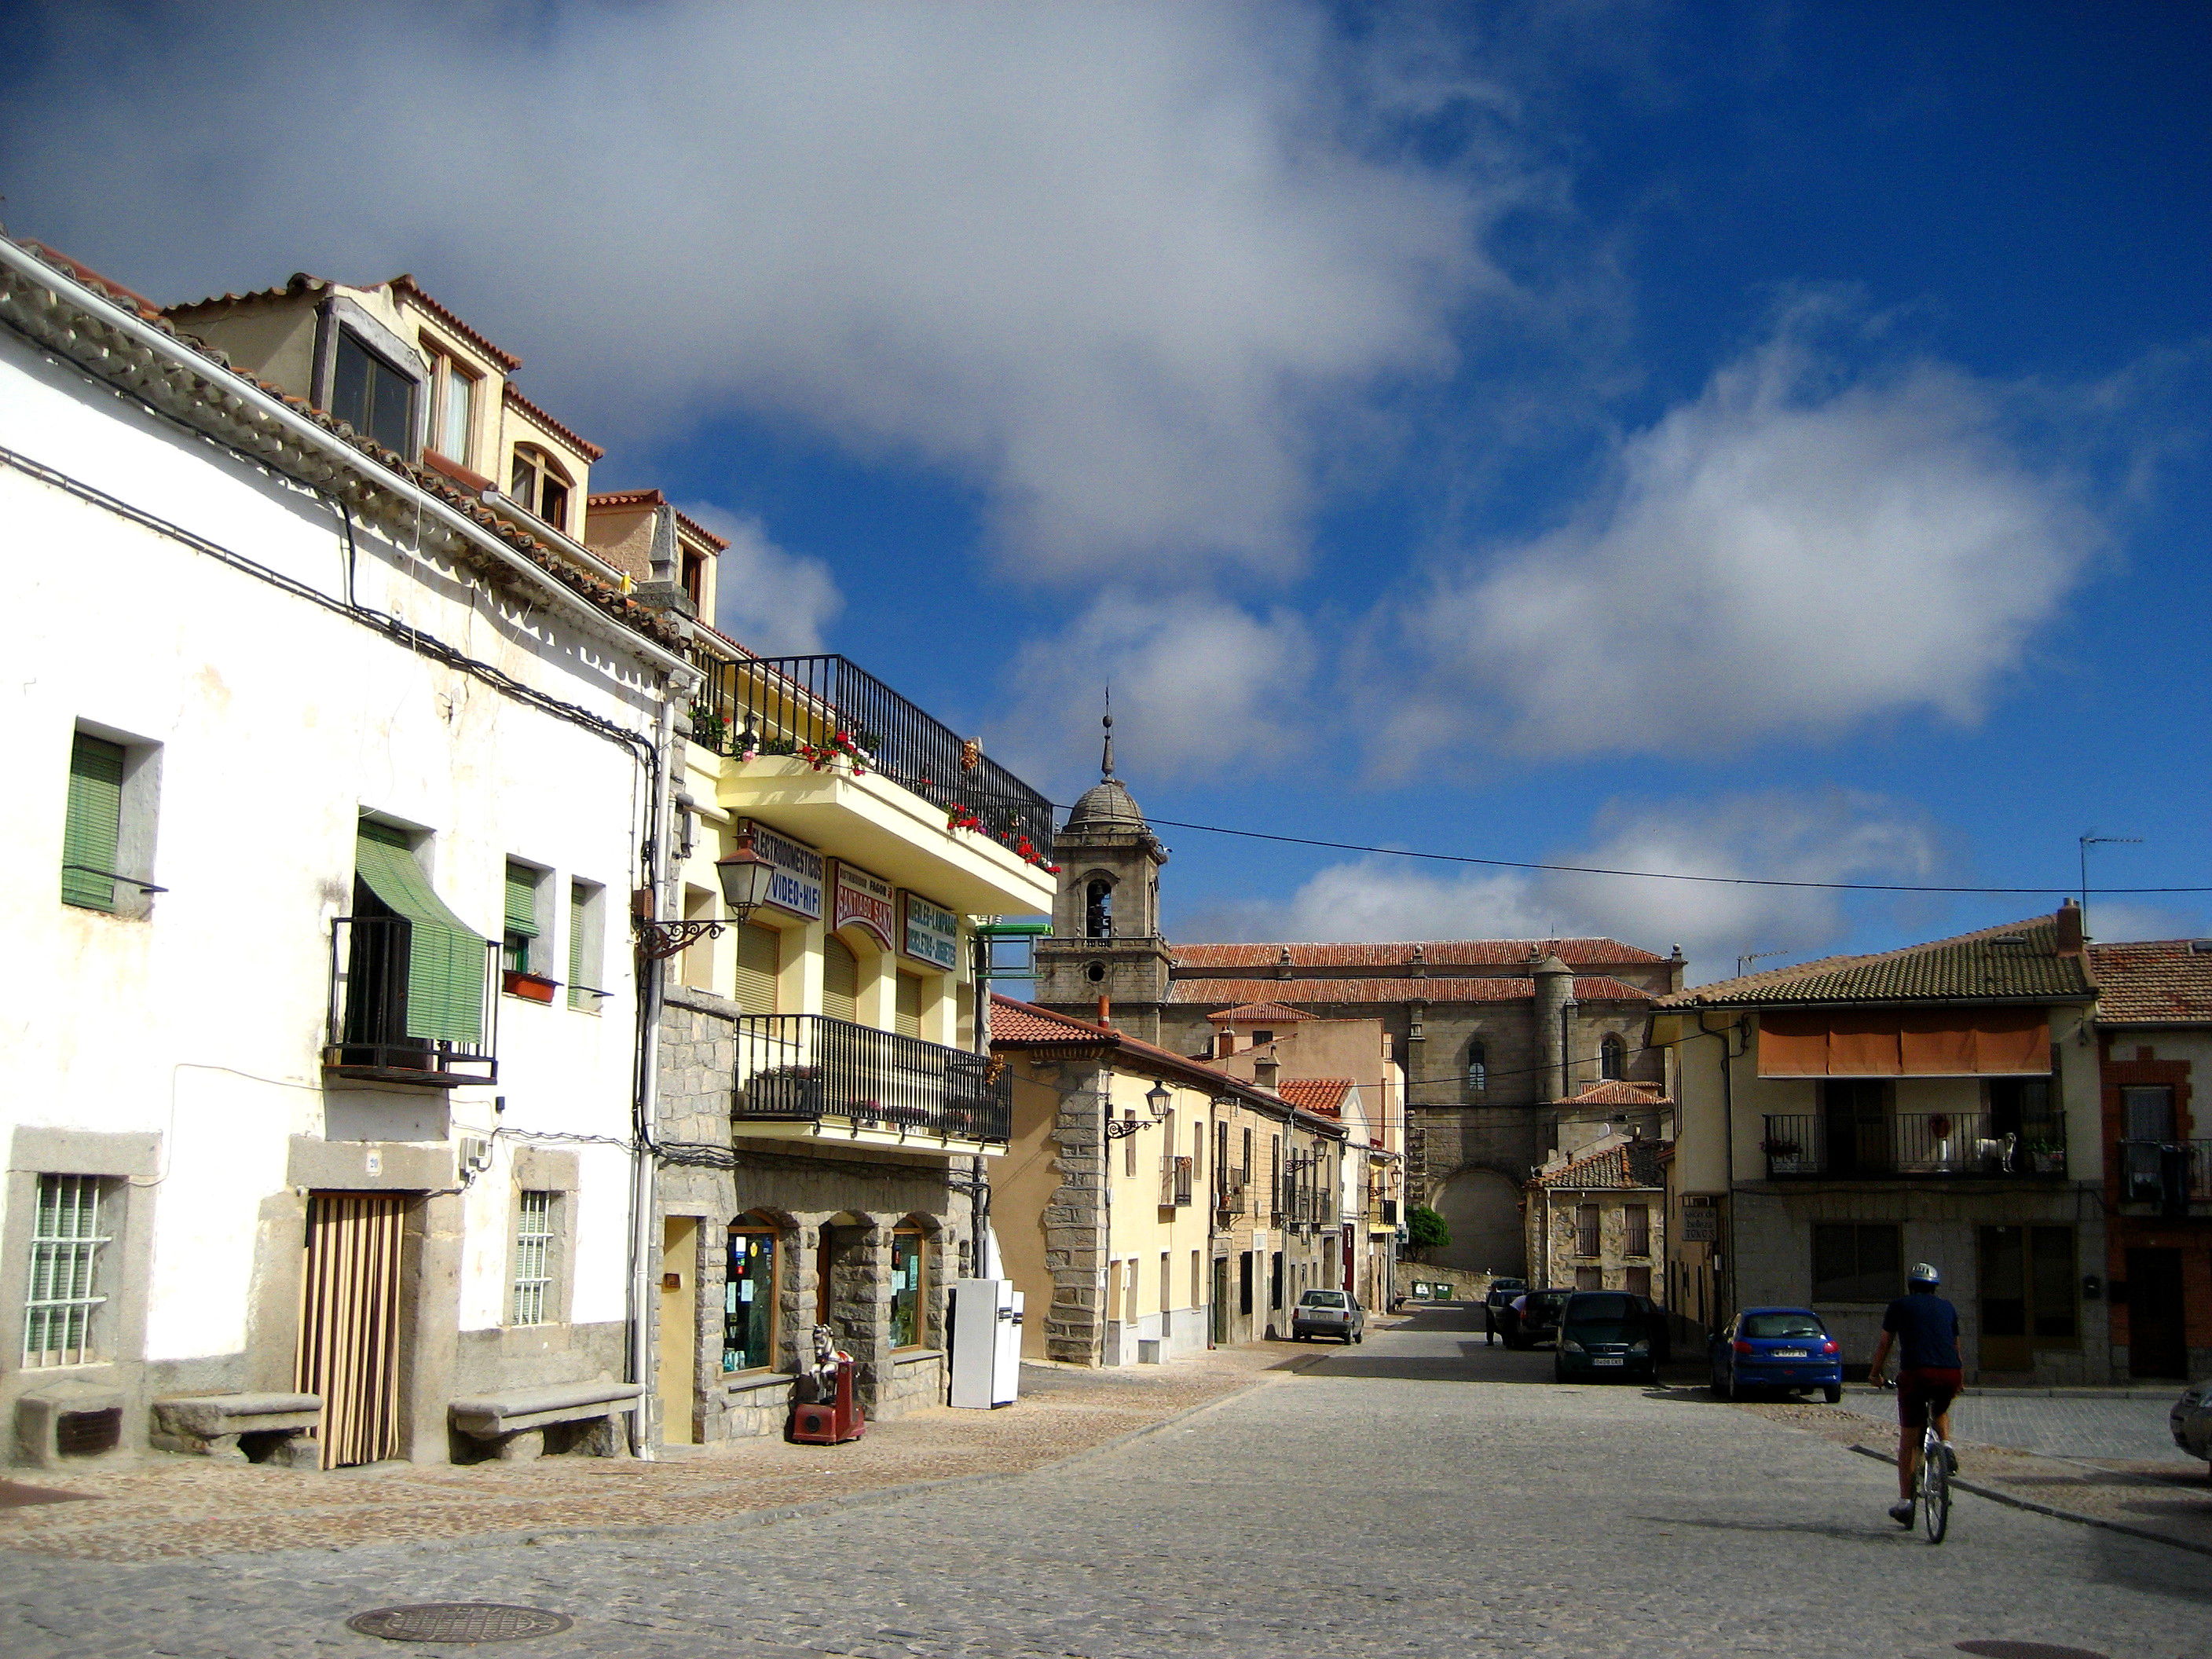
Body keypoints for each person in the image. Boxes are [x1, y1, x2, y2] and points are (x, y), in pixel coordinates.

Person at [1867, 1262, 1962, 1526]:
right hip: (1949, 1373)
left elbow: (1886, 1342)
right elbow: (1955, 1346)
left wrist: (1875, 1374)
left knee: (1909, 1439)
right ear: (1935, 1287)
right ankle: (1947, 1446)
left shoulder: (1900, 1306)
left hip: (1916, 1374)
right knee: (1940, 1409)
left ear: (1910, 1286)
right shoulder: (1948, 1307)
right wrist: (1959, 1378)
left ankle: (1906, 1502)